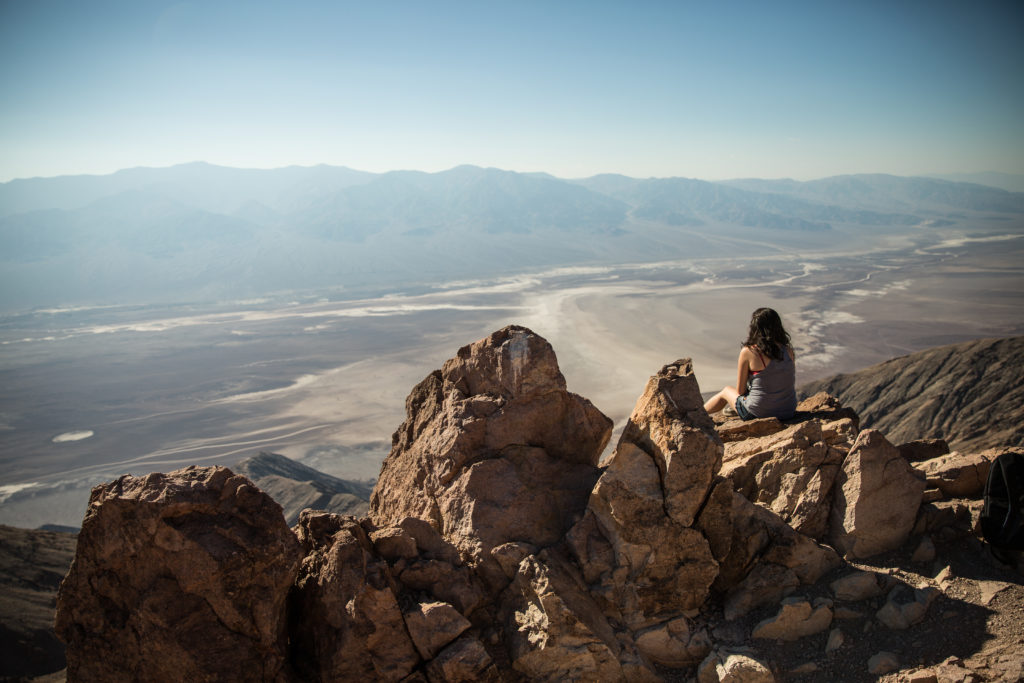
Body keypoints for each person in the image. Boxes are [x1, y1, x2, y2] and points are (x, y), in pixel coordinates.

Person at [703, 307, 797, 420]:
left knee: (726, 391)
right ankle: (735, 409)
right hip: (788, 411)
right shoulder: (788, 351)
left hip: (758, 413)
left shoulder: (749, 352)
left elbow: (740, 391)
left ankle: (698, 414)